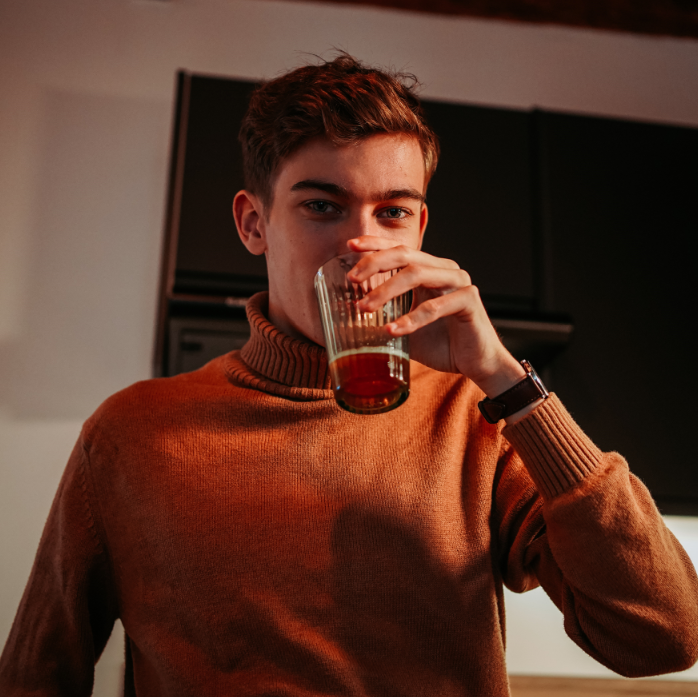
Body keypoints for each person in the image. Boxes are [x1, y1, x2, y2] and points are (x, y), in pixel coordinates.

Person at [1, 53, 697, 697]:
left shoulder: (474, 415)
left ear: (419, 230)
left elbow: (666, 634)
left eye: (391, 211)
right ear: (254, 223)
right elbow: (34, 677)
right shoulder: (129, 434)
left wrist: (507, 379)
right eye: (322, 205)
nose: (362, 243)